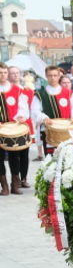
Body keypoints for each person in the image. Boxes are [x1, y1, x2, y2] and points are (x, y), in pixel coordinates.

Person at [0, 64, 32, 194]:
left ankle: (15, 184)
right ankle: (4, 186)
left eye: (4, 72)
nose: (3, 75)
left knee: (15, 157)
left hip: (13, 128)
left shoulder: (17, 90)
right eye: (0, 73)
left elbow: (23, 108)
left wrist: (22, 117)